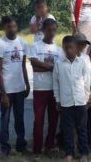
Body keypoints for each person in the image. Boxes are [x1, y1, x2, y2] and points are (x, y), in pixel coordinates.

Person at [53, 36, 91, 162]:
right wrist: (58, 99)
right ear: (63, 49)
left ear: (77, 49)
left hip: (80, 101)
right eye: (66, 48)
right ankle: (69, 153)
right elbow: (56, 83)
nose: (69, 50)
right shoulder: (59, 64)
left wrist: (87, 97)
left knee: (82, 129)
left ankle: (84, 153)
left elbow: (87, 81)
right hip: (66, 103)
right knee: (68, 129)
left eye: (71, 48)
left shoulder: (82, 63)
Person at [0, 16, 30, 159]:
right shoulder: (0, 44)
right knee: (5, 119)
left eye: (14, 26)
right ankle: (4, 147)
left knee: (19, 118)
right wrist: (3, 94)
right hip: (6, 91)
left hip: (20, 89)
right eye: (9, 27)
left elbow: (23, 66)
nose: (12, 29)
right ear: (4, 28)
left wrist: (27, 85)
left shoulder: (23, 43)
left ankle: (21, 145)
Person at [29, 18, 63, 154]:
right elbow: (33, 65)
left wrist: (41, 66)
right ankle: (37, 148)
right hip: (40, 89)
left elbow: (58, 69)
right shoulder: (35, 46)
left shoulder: (59, 50)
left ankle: (50, 144)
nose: (51, 33)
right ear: (43, 30)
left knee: (53, 120)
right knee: (38, 120)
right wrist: (50, 67)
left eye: (54, 30)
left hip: (54, 90)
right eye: (48, 30)